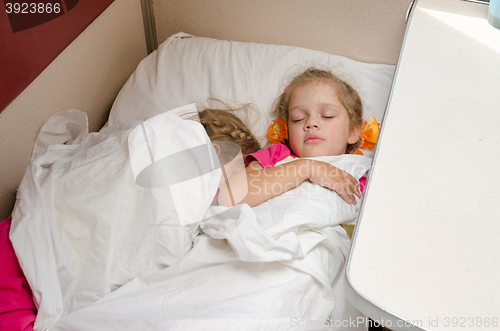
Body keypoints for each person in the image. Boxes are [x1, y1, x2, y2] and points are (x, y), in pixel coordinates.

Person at [218, 68, 365, 208]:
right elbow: (228, 196)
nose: (310, 123)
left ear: (352, 131)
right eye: (298, 118)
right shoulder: (276, 156)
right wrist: (306, 168)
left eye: (327, 115)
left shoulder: (359, 172)